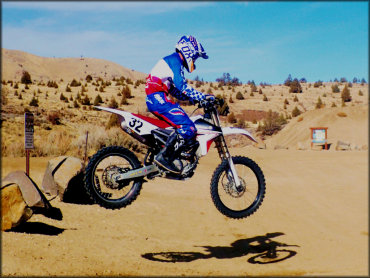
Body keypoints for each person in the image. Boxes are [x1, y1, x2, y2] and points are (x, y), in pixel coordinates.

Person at [145, 35, 212, 174]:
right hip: (157, 98)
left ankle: (166, 155)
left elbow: (175, 91)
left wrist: (194, 100)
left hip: (156, 98)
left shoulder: (172, 61)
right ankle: (164, 158)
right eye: (195, 56)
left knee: (178, 123)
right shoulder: (175, 60)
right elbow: (182, 86)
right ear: (189, 50)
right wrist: (203, 97)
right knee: (188, 127)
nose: (194, 60)